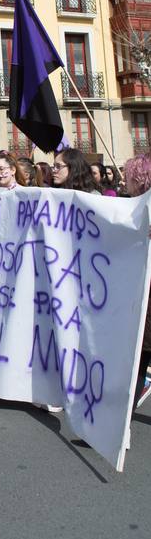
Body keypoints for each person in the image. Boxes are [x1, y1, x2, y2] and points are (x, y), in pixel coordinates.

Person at [123, 155, 151, 411]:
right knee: (137, 361)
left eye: (128, 176)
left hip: (147, 298)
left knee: (139, 359)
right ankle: (123, 423)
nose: (124, 181)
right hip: (140, 297)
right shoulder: (130, 208)